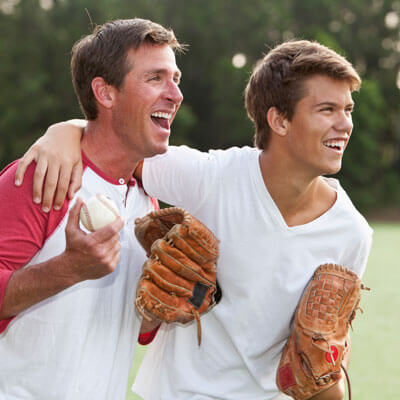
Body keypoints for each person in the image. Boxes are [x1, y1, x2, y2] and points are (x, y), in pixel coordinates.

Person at [15, 40, 373, 400]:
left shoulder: (352, 233)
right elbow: (115, 142)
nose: (345, 124)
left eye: (348, 109)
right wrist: (63, 131)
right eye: (327, 109)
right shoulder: (210, 177)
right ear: (279, 119)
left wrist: (330, 378)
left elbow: (324, 355)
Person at [0, 18, 184, 399]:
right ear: (105, 92)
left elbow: (132, 326)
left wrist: (166, 303)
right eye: (155, 78)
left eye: (176, 79)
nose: (175, 94)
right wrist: (67, 269)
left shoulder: (147, 203)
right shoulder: (42, 177)